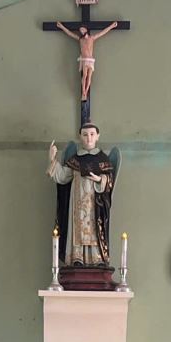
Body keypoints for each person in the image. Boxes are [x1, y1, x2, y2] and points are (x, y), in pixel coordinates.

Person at [48, 124, 117, 267]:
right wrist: (52, 159)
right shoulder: (75, 160)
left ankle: (96, 257)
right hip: (77, 203)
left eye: (92, 134)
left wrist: (100, 180)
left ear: (97, 136)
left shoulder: (103, 159)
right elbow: (63, 176)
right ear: (80, 137)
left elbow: (109, 181)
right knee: (77, 227)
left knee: (94, 228)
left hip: (95, 204)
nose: (89, 138)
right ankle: (77, 256)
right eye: (85, 135)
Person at [55, 21, 119, 101]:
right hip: (84, 59)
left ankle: (86, 91)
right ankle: (83, 92)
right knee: (84, 75)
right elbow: (70, 33)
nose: (81, 31)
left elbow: (102, 32)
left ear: (86, 29)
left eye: (82, 29)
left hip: (91, 60)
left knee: (89, 77)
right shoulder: (80, 39)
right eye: (80, 30)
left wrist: (112, 26)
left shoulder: (92, 38)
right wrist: (61, 26)